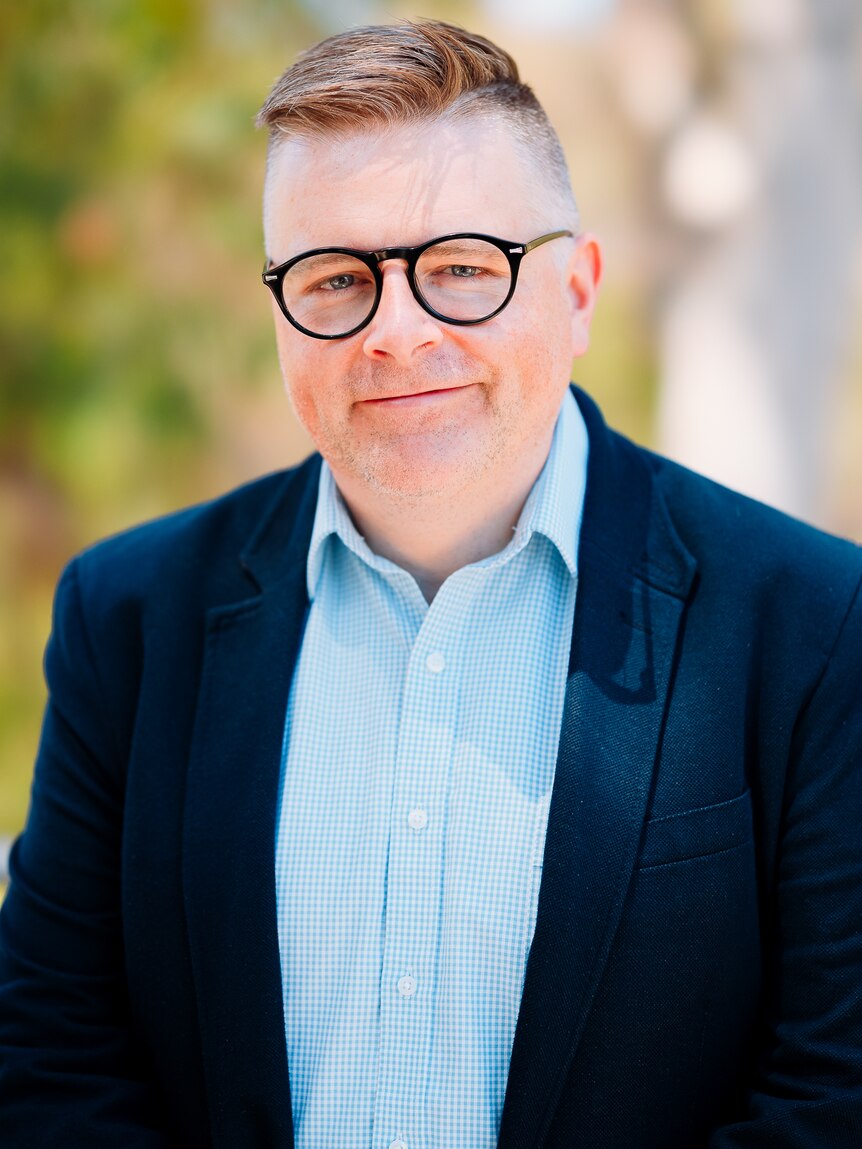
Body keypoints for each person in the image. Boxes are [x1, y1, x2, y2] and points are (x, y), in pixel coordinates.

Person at [1, 19, 861, 1149]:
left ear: (580, 289)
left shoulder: (811, 623)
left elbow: (834, 1092)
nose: (396, 333)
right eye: (334, 278)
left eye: (461, 268)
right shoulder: (130, 618)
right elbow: (49, 1055)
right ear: (279, 315)